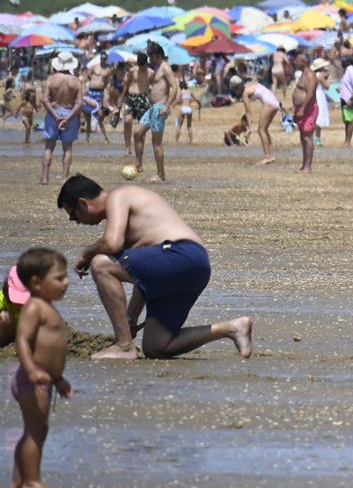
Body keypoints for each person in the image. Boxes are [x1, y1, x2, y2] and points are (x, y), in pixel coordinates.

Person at [56, 174, 254, 360]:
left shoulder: (118, 196)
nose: (78, 223)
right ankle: (232, 328)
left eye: (74, 217)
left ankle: (124, 345)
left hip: (181, 253)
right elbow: (142, 276)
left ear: (83, 203)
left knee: (100, 263)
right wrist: (131, 318)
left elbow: (111, 243)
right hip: (192, 267)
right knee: (156, 346)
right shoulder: (128, 223)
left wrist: (86, 254)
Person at [8, 248, 73, 488]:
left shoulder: (46, 306)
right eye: (59, 278)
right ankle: (32, 482)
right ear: (36, 282)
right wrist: (31, 370)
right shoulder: (34, 308)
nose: (66, 283)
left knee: (34, 430)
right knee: (36, 431)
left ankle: (18, 482)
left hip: (45, 379)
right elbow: (22, 342)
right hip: (31, 379)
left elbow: (50, 351)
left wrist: (59, 379)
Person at [132, 45, 177, 181]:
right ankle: (139, 164)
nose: (150, 59)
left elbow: (174, 87)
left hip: (160, 107)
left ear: (157, 55)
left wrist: (167, 106)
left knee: (156, 142)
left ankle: (160, 174)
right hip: (152, 108)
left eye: (151, 56)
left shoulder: (165, 68)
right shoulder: (158, 69)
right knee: (137, 133)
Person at [40, 52, 84, 186]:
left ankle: (45, 178)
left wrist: (56, 116)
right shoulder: (76, 81)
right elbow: (79, 103)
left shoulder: (51, 79)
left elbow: (44, 100)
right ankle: (64, 179)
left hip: (53, 114)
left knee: (49, 147)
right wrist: (68, 118)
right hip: (70, 113)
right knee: (68, 148)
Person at [293, 57, 328, 173]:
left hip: (308, 109)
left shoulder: (310, 75)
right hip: (302, 109)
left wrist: (302, 108)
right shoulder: (303, 74)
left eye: (297, 60)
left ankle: (308, 166)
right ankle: (304, 165)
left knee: (307, 137)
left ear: (303, 61)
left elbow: (310, 93)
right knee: (303, 137)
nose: (295, 62)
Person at [242, 74, 282, 164]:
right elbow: (256, 78)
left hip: (269, 103)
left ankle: (268, 156)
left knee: (261, 130)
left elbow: (248, 111)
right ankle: (271, 156)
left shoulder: (244, 93)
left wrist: (249, 128)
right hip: (275, 102)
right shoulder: (251, 84)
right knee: (264, 130)